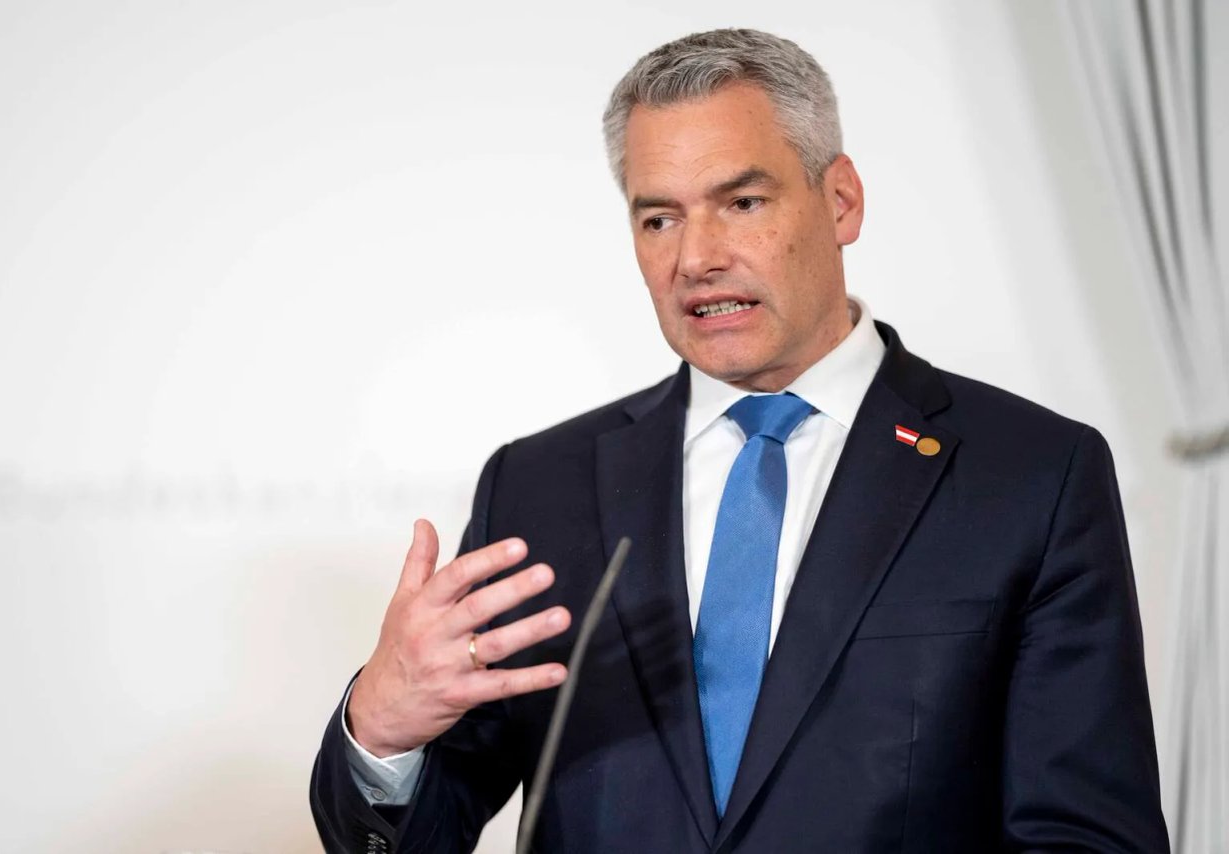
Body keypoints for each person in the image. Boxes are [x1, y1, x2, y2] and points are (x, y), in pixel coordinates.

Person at [310, 28, 1169, 853]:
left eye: (742, 203)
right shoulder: (540, 484)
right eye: (659, 219)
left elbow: (1087, 834)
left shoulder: (1032, 475)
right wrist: (381, 729)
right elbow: (421, 831)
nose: (696, 258)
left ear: (841, 200)